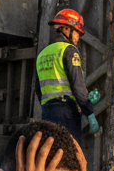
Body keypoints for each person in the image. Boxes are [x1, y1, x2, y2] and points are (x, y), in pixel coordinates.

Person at [34, 9, 99, 141]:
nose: (78, 38)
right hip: (66, 112)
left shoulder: (42, 54)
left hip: (47, 112)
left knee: (52, 152)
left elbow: (38, 88)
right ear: (65, 28)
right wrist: (89, 113)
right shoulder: (69, 50)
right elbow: (78, 87)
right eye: (77, 32)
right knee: (71, 155)